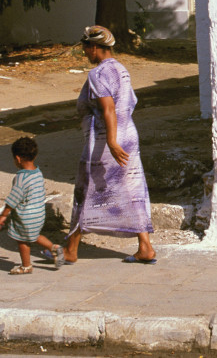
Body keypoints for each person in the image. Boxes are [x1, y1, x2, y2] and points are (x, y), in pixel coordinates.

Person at [63, 25, 157, 264]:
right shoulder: (122, 69)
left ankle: (71, 249)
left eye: (86, 48)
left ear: (94, 47)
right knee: (133, 187)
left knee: (86, 188)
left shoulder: (98, 74)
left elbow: (108, 109)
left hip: (106, 140)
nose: (85, 52)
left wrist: (112, 142)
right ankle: (145, 246)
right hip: (129, 135)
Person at [0, 136, 63, 275]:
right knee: (34, 235)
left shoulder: (21, 178)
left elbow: (13, 199)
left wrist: (3, 215)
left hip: (26, 216)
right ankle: (54, 248)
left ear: (18, 158)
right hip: (39, 213)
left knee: (22, 240)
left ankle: (26, 266)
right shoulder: (38, 172)